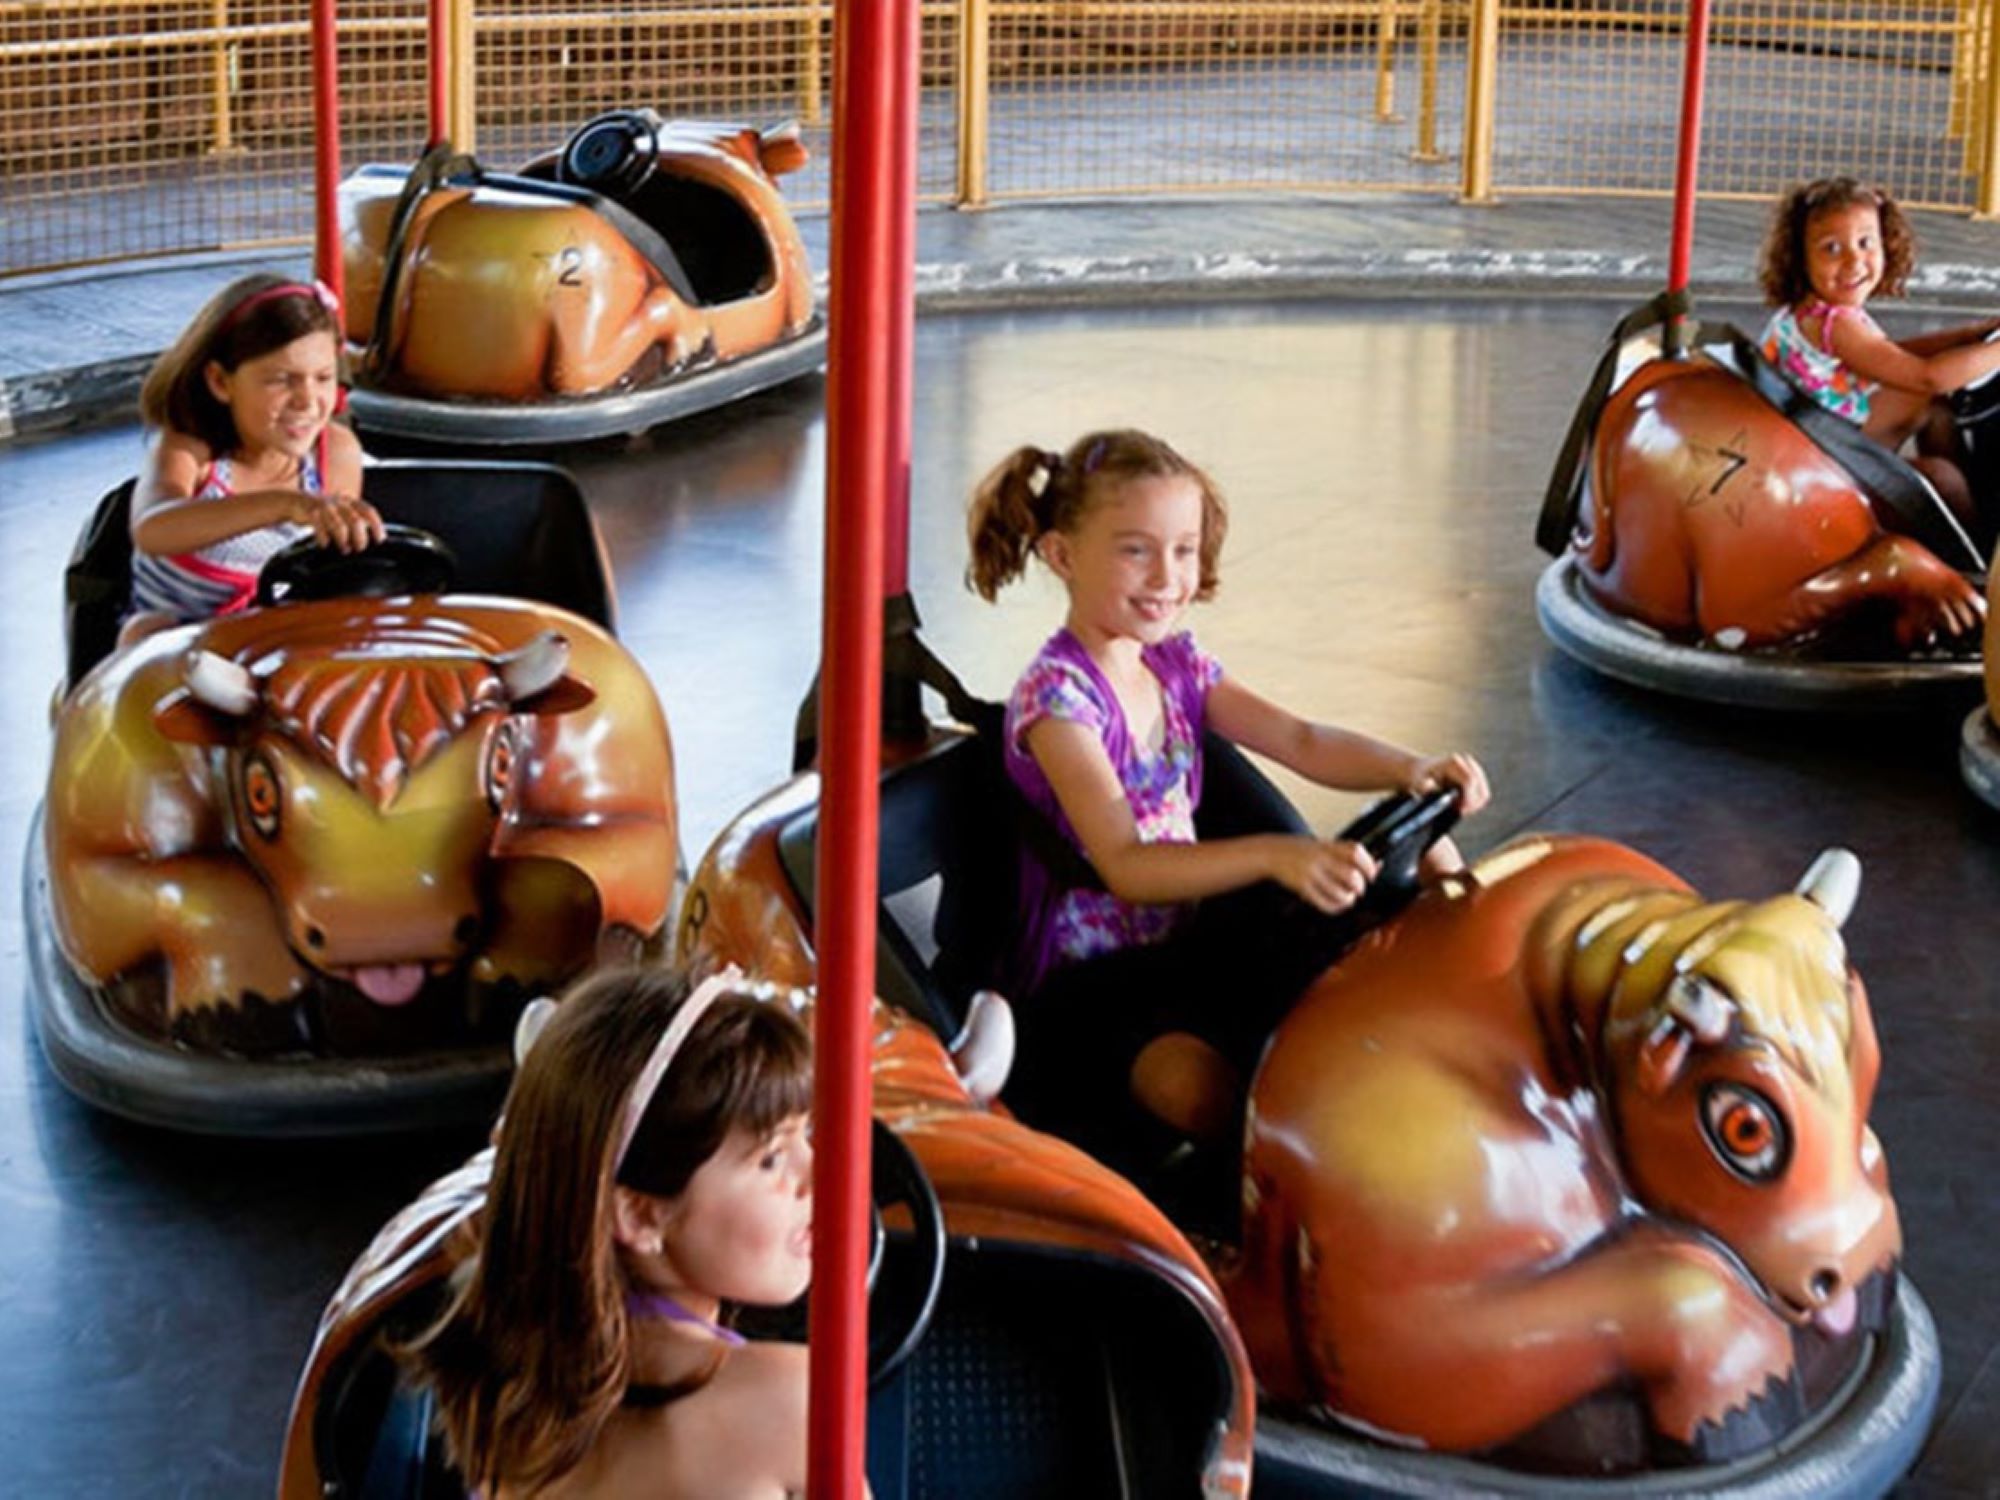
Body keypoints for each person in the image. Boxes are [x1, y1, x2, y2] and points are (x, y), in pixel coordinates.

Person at [965, 428, 1490, 1163]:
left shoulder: (1177, 665)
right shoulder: (1059, 701)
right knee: (1198, 1090)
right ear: (1061, 555)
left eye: (1183, 549)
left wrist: (1412, 768)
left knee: (1398, 922)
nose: (1166, 576)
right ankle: (1262, 1216)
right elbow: (1127, 865)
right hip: (1080, 989)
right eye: (1135, 549)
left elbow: (1302, 739)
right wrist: (1278, 856)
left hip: (1186, 947)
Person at [399, 965, 834, 1499]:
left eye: (806, 1134)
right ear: (642, 1216)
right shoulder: (792, 1401)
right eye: (771, 1158)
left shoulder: (510, 1387)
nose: (819, 1173)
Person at [123, 272, 382, 643]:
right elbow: (152, 530)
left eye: (323, 378)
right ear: (220, 382)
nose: (308, 401)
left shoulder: (335, 454)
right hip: (179, 644)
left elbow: (332, 567)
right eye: (281, 380)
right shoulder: (191, 451)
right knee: (143, 631)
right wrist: (283, 505)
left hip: (272, 639)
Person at [1758, 176, 2000, 530]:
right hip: (1821, 469)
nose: (1854, 261)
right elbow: (1928, 375)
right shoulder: (1834, 325)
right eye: (1831, 248)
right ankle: (1975, 559)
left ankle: (1963, 513)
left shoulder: (1816, 310)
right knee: (1941, 476)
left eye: (1865, 242)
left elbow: (1886, 356)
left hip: (1817, 436)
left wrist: (1968, 336)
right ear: (1800, 258)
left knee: (1934, 410)